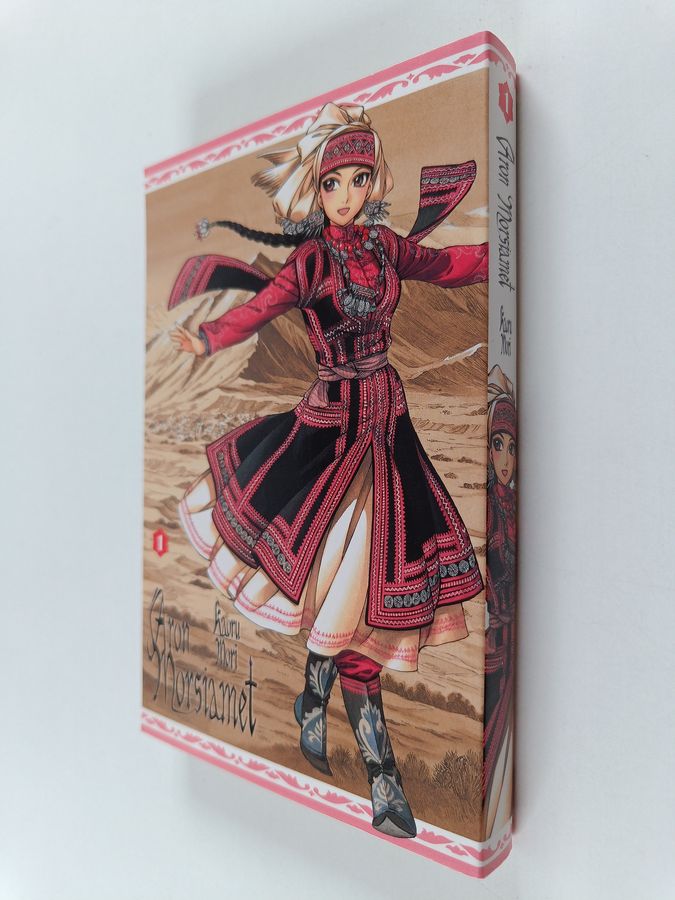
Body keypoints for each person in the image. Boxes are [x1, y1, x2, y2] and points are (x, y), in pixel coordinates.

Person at [170, 102, 488, 839]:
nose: (346, 195)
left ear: (374, 180)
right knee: (345, 596)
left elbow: (447, 266)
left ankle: (321, 705)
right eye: (333, 183)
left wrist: (503, 249)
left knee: (370, 594)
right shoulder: (312, 261)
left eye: (358, 179)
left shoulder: (384, 245)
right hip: (325, 441)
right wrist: (208, 337)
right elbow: (261, 309)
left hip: (388, 435)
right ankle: (382, 779)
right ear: (316, 189)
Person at [483, 366, 516, 837]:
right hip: (492, 643)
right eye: (497, 445)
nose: (505, 459)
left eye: (512, 447)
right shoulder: (491, 504)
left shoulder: (512, 504)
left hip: (510, 643)